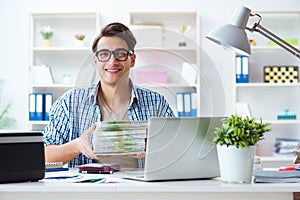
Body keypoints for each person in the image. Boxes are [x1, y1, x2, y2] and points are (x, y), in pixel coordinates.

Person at [43, 22, 175, 168]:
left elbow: (178, 152)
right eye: (104, 54)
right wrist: (78, 145)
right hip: (88, 190)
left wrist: (156, 147)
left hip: (140, 189)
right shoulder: (70, 102)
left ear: (132, 60)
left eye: (120, 54)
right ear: (95, 60)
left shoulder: (156, 103)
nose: (112, 62)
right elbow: (43, 156)